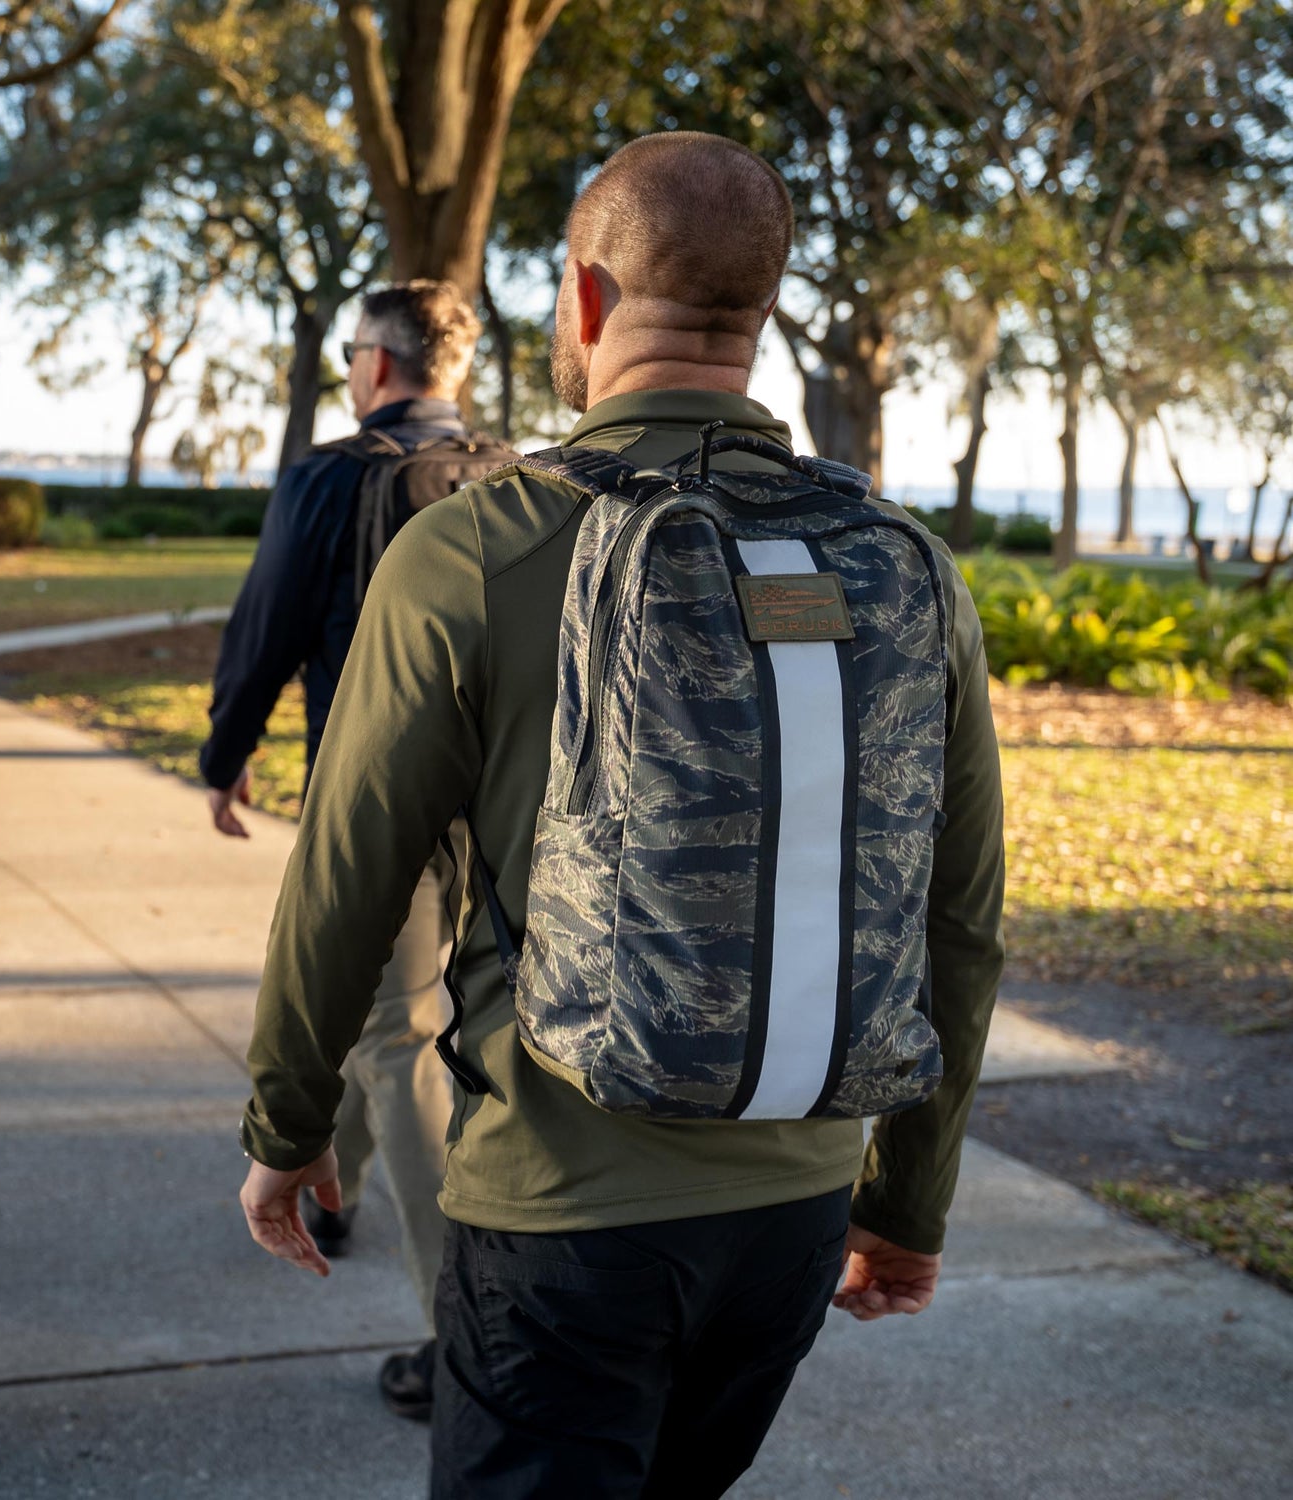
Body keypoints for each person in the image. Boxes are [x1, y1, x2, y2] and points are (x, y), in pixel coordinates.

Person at [236, 131, 1005, 1498]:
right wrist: (907, 1199)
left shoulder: (474, 549)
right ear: (762, 310)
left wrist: (287, 1126)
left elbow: (347, 875)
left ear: (586, 301)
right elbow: (958, 915)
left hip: (559, 1206)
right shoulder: (903, 564)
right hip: (794, 1211)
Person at [201, 280, 505, 1420]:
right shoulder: (521, 478)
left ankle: (461, 1344)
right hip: (509, 815)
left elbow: (267, 626)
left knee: (397, 1039)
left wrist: (226, 752)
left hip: (381, 812)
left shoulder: (330, 477)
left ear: (376, 364)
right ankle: (336, 1189)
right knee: (415, 1023)